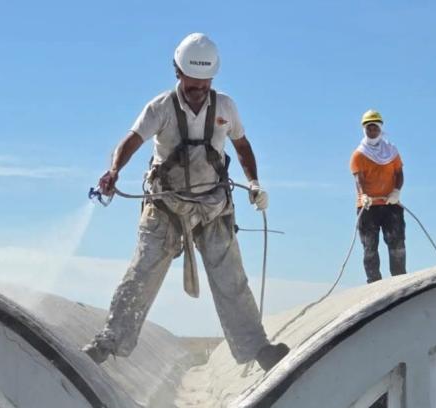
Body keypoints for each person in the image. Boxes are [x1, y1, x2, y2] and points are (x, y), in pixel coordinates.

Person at [82, 33, 289, 371]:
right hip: (166, 206)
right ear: (178, 73)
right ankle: (107, 342)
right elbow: (131, 140)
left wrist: (253, 183)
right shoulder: (161, 107)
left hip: (212, 207)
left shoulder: (225, 107)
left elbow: (242, 146)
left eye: (205, 85)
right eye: (193, 85)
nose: (199, 91)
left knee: (231, 279)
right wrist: (113, 171)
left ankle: (259, 349)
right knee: (142, 272)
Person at [350, 109, 406, 283]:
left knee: (396, 243)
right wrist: (363, 195)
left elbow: (399, 173)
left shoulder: (392, 151)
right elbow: (358, 179)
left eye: (375, 128)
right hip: (368, 207)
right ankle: (374, 283)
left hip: (391, 204)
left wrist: (396, 191)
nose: (372, 131)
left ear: (380, 129)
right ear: (364, 130)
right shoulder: (359, 154)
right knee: (370, 248)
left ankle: (399, 281)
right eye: (369, 128)